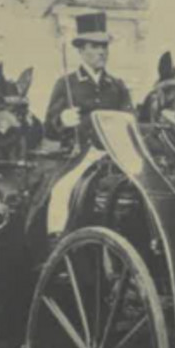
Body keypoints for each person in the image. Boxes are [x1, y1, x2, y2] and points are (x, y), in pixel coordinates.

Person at [43, 12, 132, 236]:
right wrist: (63, 120)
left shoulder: (117, 86)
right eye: (95, 46)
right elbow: (49, 129)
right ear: (81, 51)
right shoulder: (67, 85)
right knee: (61, 192)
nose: (102, 52)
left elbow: (131, 122)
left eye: (104, 46)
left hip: (115, 155)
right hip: (81, 155)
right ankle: (58, 240)